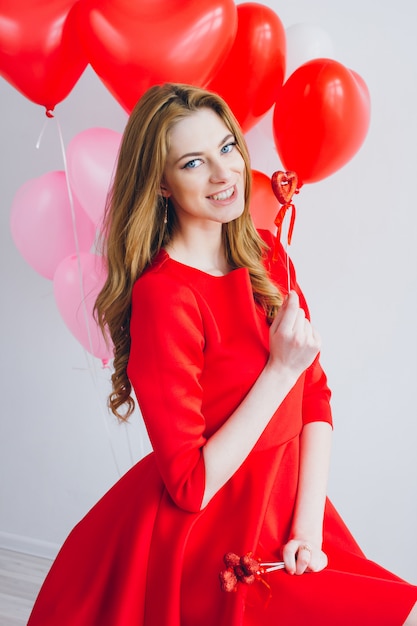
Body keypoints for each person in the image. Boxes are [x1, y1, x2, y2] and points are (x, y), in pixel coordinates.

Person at [28, 83, 417, 625]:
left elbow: (316, 396)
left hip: (288, 505)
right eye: (193, 162)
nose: (223, 173)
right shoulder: (165, 296)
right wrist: (280, 369)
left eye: (227, 148)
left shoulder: (268, 253)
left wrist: (306, 529)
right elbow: (190, 486)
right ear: (162, 184)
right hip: (207, 532)